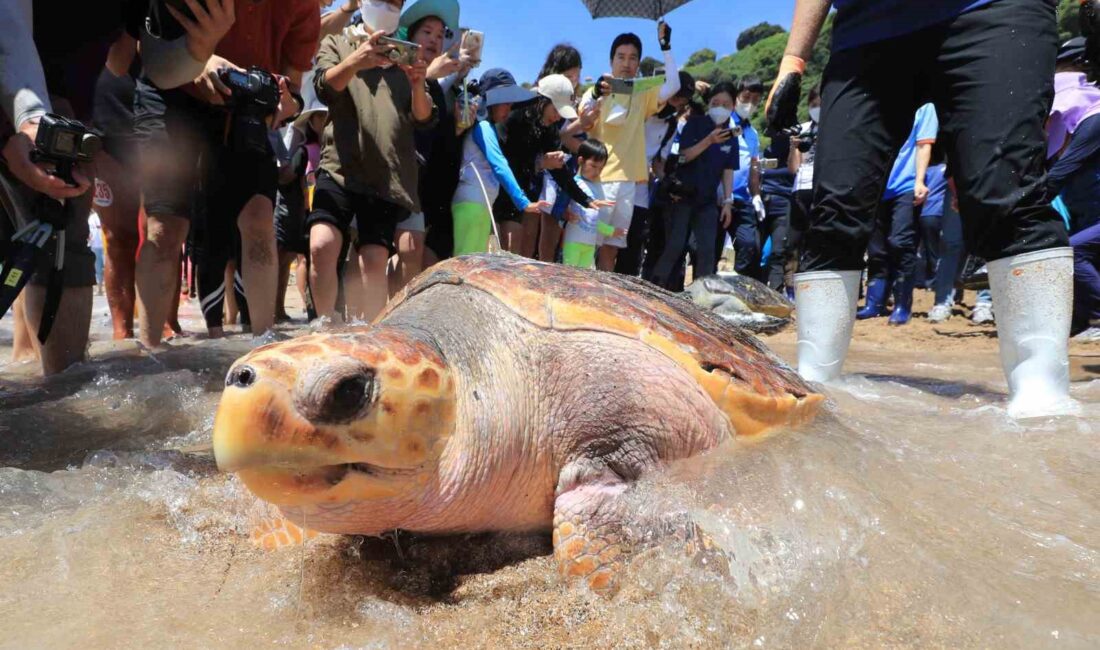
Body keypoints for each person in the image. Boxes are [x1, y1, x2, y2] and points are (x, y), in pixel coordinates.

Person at [765, 0, 1076, 418]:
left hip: (993, 11)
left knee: (1002, 186)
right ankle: (815, 381)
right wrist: (793, 58)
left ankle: (1042, 394)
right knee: (836, 203)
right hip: (866, 28)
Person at [1, 0, 228, 375]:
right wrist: (20, 119)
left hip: (60, 114)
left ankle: (60, 394)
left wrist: (197, 50)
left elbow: (145, 63)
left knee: (62, 240)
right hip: (26, 99)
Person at [134, 0, 319, 344]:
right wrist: (195, 58)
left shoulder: (303, 7)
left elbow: (293, 90)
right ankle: (148, 353)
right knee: (166, 226)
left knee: (259, 217)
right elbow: (147, 40)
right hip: (172, 93)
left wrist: (285, 103)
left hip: (244, 107)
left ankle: (264, 345)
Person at [307, 0, 435, 323]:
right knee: (321, 246)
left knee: (373, 261)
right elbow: (323, 86)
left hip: (383, 176)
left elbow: (424, 117)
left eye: (395, 1)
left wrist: (418, 82)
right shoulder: (337, 42)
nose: (387, 5)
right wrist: (356, 61)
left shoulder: (407, 56)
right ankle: (323, 329)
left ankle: (367, 340)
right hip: (338, 167)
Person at [580, 23, 681, 272]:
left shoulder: (642, 93)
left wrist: (665, 46)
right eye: (621, 57)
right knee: (588, 243)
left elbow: (674, 86)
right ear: (611, 59)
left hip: (628, 182)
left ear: (638, 63)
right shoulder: (596, 90)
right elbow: (583, 118)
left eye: (633, 58)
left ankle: (604, 298)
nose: (626, 63)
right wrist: (595, 95)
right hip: (598, 180)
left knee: (612, 247)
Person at [390, 0, 465, 290]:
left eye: (440, 34)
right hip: (390, 173)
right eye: (427, 32)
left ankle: (398, 319)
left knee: (413, 250)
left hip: (422, 181)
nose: (435, 39)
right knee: (382, 249)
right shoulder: (394, 69)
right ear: (410, 36)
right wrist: (431, 73)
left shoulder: (440, 84)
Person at [497, 74, 606, 258]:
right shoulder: (515, 114)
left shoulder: (549, 129)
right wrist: (539, 162)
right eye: (556, 110)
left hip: (515, 198)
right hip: (493, 189)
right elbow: (503, 159)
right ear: (543, 101)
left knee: (510, 252)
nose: (557, 118)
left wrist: (586, 200)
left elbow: (560, 172)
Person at [855, 104, 938, 326]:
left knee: (900, 242)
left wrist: (920, 180)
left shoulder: (925, 107)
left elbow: (924, 145)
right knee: (876, 248)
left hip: (907, 184)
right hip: (877, 186)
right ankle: (874, 303)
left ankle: (903, 305)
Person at [451, 69, 548, 256]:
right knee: (464, 262)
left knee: (473, 262)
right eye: (506, 103)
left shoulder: (486, 126)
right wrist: (523, 202)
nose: (509, 109)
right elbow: (499, 164)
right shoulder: (483, 126)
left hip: (479, 205)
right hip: (471, 204)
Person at [650, 82, 738, 289]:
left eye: (726, 104)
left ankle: (702, 296)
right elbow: (682, 157)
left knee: (706, 250)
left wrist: (727, 201)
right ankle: (655, 286)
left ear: (733, 106)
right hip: (683, 196)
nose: (720, 107)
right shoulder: (695, 124)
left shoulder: (732, 135)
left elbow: (728, 169)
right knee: (675, 245)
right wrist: (708, 141)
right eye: (715, 103)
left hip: (707, 201)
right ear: (708, 104)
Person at [1046, 36, 1100, 341]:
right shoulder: (1075, 121)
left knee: (1072, 250)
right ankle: (1080, 324)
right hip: (1088, 212)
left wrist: (1022, 205)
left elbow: (1063, 171)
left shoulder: (1094, 118)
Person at [618, 70, 696, 278]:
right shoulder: (638, 110)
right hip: (619, 177)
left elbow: (658, 162)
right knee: (611, 236)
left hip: (641, 186)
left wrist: (667, 181)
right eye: (675, 96)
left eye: (681, 101)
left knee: (635, 237)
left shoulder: (671, 125)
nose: (676, 103)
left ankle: (626, 281)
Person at [780, 84, 821, 296]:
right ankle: (791, 289)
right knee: (793, 241)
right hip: (800, 189)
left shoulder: (834, 130)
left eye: (821, 105)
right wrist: (794, 146)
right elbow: (793, 168)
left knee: (817, 241)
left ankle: (813, 289)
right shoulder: (802, 129)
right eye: (814, 105)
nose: (817, 109)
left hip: (822, 190)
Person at [562, 140, 624, 268]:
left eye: (601, 168)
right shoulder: (573, 184)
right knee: (568, 276)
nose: (597, 172)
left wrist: (611, 231)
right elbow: (561, 206)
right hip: (573, 241)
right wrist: (565, 213)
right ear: (580, 161)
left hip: (589, 245)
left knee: (584, 279)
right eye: (594, 166)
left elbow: (593, 220)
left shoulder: (595, 188)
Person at [88, 210, 105, 295]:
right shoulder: (91, 218)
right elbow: (89, 231)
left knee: (107, 267)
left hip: (105, 246)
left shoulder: (104, 214)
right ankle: (99, 289)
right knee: (97, 269)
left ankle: (106, 288)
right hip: (95, 246)